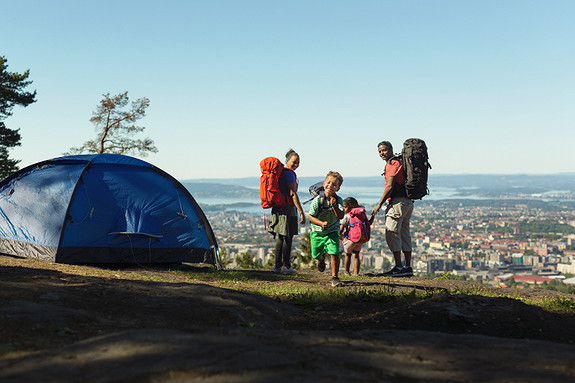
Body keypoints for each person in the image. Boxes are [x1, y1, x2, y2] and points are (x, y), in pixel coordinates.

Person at [371, 141, 414, 277]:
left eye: (384, 150)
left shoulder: (392, 164)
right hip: (407, 202)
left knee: (392, 233)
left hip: (397, 203)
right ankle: (407, 267)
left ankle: (399, 268)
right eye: (379, 151)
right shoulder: (399, 162)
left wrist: (379, 204)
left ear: (390, 149)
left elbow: (389, 186)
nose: (382, 153)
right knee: (405, 234)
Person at [268, 149, 306, 275]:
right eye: (294, 162)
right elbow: (292, 194)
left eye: (298, 162)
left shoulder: (281, 173)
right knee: (288, 238)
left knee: (280, 237)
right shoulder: (289, 174)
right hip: (287, 208)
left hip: (278, 208)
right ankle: (286, 266)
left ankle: (277, 265)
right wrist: (301, 211)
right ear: (287, 160)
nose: (296, 165)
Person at [308, 171, 345, 287]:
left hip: (332, 231)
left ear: (338, 188)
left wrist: (334, 206)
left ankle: (335, 277)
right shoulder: (317, 200)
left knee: (334, 253)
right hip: (317, 232)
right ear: (324, 184)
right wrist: (320, 223)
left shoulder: (338, 200)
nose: (330, 186)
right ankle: (321, 259)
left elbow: (341, 216)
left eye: (334, 184)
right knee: (315, 254)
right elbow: (311, 217)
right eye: (328, 183)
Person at [339, 197, 364, 276]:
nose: (344, 208)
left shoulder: (347, 216)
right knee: (356, 255)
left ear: (350, 207)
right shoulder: (360, 215)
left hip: (350, 239)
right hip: (360, 239)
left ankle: (347, 272)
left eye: (345, 207)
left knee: (347, 255)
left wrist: (340, 234)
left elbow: (341, 228)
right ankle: (356, 273)